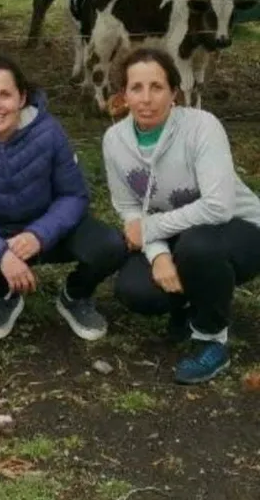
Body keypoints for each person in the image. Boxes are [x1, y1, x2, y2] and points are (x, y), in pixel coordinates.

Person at [0, 54, 126, 341]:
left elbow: (74, 196)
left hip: (48, 231)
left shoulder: (49, 132)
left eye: (5, 94)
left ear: (22, 97)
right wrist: (0, 253)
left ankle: (75, 295)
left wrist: (39, 234)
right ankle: (4, 295)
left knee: (110, 245)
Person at [104, 46, 260, 384]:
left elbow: (219, 205)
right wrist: (158, 254)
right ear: (124, 95)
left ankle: (211, 338)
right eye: (136, 88)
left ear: (174, 92)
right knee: (136, 290)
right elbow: (129, 207)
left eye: (157, 87)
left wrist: (150, 229)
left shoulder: (202, 127)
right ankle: (186, 306)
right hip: (176, 233)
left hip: (239, 230)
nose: (147, 98)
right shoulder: (114, 141)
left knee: (198, 247)